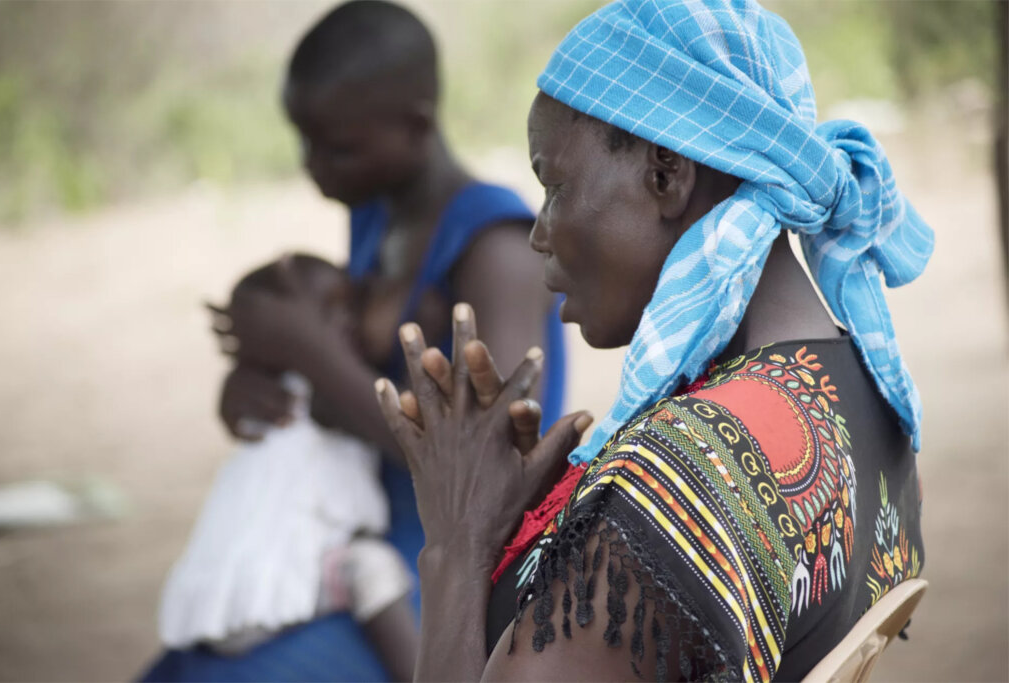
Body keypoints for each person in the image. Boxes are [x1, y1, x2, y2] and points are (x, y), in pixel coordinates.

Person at [375, 0, 934, 680]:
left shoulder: (680, 475)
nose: (538, 232)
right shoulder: (869, 392)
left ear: (666, 174)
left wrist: (458, 546)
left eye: (554, 186)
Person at [140, 2, 563, 681]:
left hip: (454, 566)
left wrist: (309, 350)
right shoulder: (377, 217)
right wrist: (258, 385)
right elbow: (350, 376)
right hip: (354, 537)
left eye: (337, 148)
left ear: (416, 126)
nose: (314, 167)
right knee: (182, 662)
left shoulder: (496, 248)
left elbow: (488, 464)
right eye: (304, 140)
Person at [158, 256, 421, 678]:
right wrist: (314, 349)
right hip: (270, 596)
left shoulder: (262, 393)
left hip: (223, 603)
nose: (346, 321)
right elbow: (410, 431)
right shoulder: (315, 394)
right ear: (282, 335)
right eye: (328, 312)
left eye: (349, 306)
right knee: (373, 567)